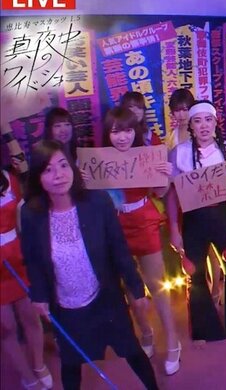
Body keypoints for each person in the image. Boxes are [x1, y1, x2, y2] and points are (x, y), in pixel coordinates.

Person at [19, 140, 158, 390]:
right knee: (71, 364)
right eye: (48, 169)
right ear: (38, 177)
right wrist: (38, 295)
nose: (59, 175)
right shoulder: (31, 214)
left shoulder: (98, 202)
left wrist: (137, 289)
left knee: (132, 350)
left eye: (63, 165)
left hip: (105, 299)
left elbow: (119, 250)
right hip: (65, 306)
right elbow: (33, 260)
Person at [100, 107, 181, 375]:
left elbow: (160, 191)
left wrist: (165, 175)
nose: (122, 137)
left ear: (135, 131)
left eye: (127, 131)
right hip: (114, 226)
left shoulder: (146, 154)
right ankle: (145, 332)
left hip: (143, 221)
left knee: (157, 285)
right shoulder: (100, 159)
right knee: (129, 287)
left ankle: (172, 341)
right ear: (108, 134)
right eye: (116, 131)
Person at [166, 100, 226, 343]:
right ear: (191, 125)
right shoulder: (179, 153)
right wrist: (174, 229)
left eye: (208, 120)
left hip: (224, 216)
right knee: (195, 275)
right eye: (197, 121)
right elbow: (171, 195)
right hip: (193, 219)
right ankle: (206, 331)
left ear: (216, 122)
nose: (203, 125)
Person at [1, 167, 52, 390]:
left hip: (16, 257)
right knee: (7, 327)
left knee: (31, 316)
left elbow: (22, 219)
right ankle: (27, 376)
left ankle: (39, 365)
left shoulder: (8, 178)